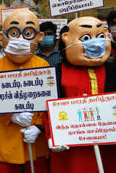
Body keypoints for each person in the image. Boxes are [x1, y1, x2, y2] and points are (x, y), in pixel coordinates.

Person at [45, 17, 116, 173]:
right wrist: (52, 134)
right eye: (85, 38)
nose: (95, 43)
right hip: (71, 145)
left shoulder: (113, 69)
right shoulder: (56, 72)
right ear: (66, 39)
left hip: (108, 145)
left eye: (100, 36)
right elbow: (49, 107)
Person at [0, 9, 49, 173]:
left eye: (27, 33)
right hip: (8, 133)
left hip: (35, 136)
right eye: (14, 33)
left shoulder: (43, 65)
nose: (20, 39)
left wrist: (38, 126)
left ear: (39, 36)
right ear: (2, 36)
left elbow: (49, 101)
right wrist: (12, 116)